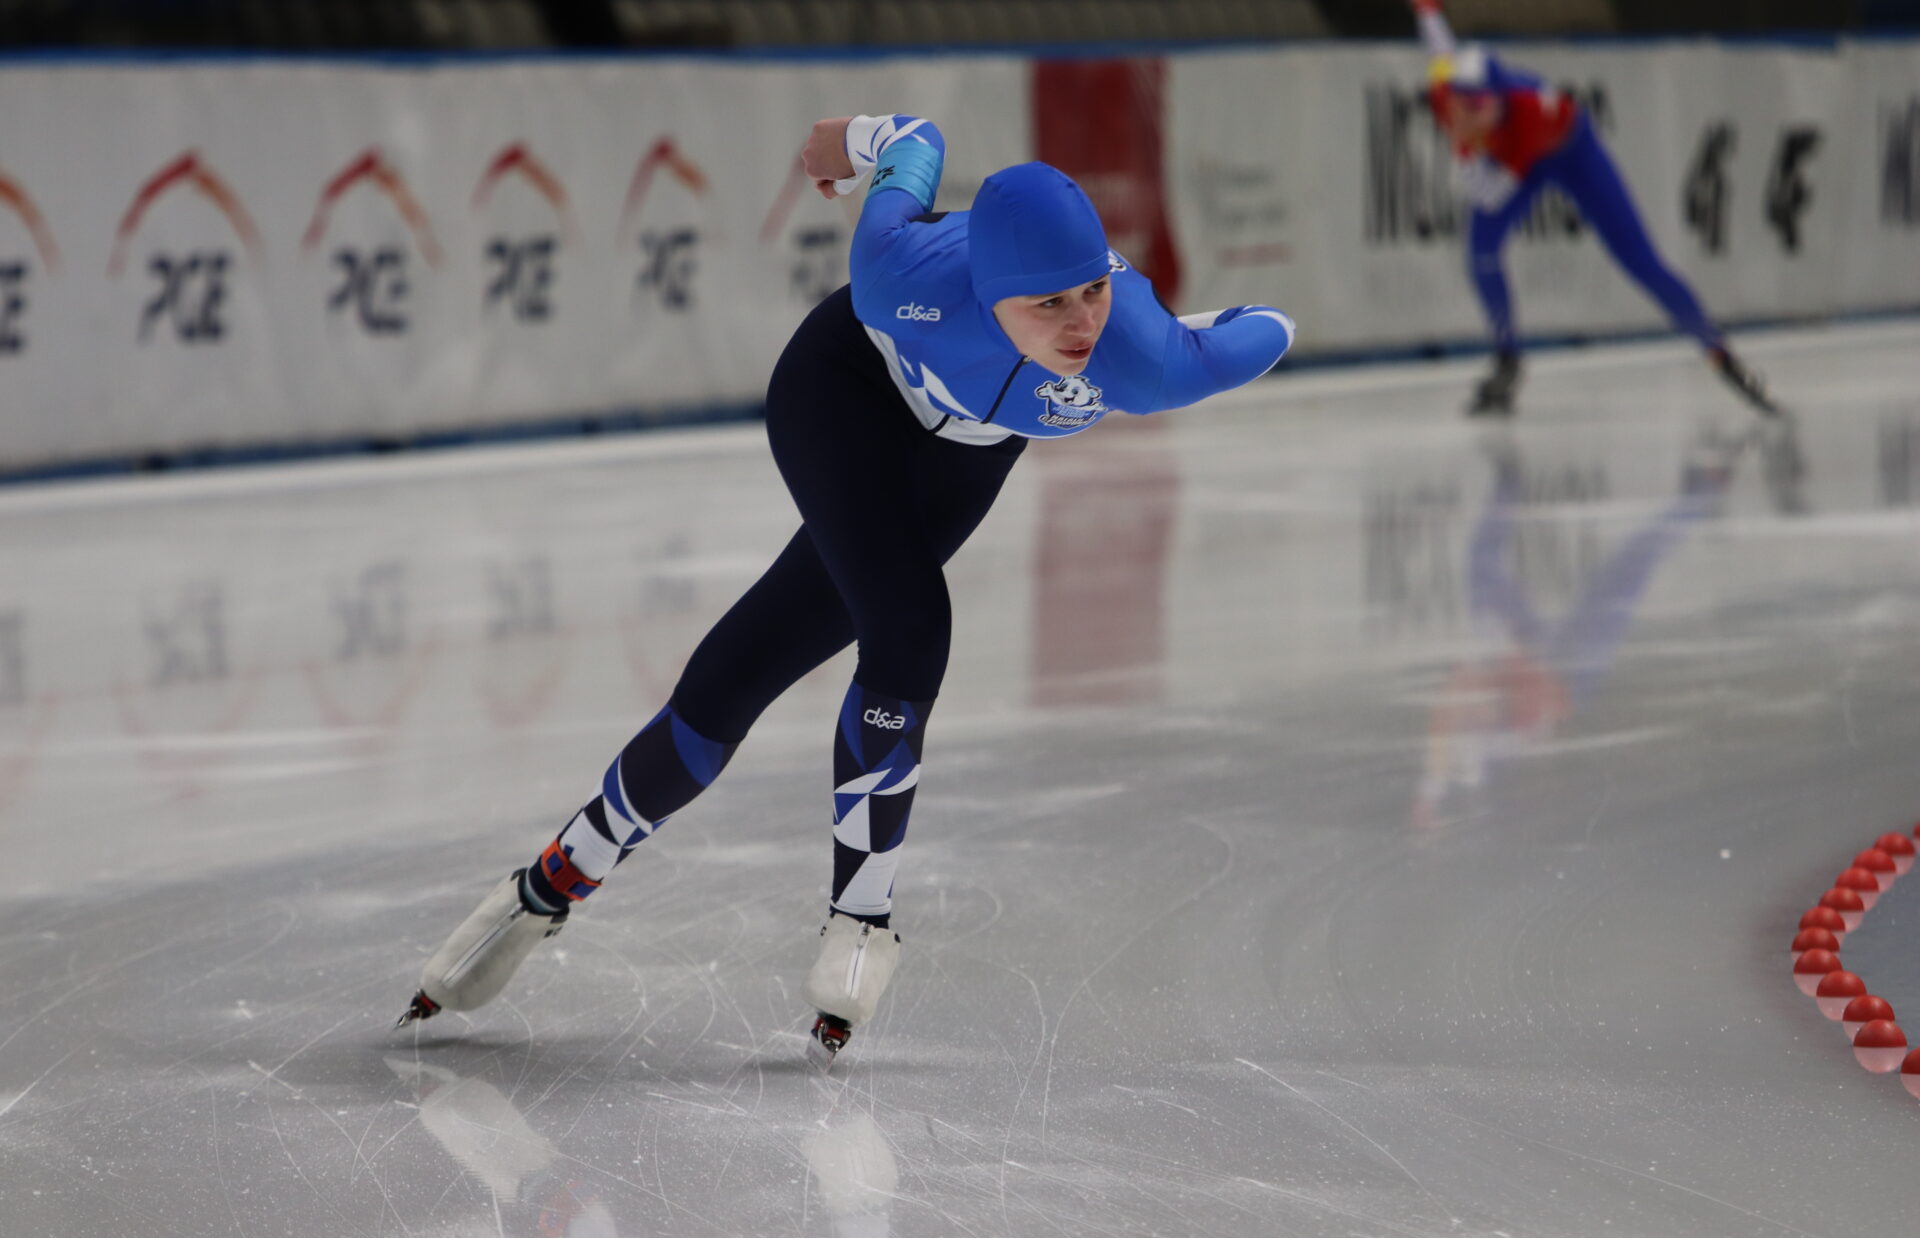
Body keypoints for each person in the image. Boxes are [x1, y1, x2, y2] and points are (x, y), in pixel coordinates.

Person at [396, 112, 1295, 1064]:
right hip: (841, 394)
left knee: (752, 665)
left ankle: (551, 881)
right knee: (911, 624)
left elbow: (1271, 327)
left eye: (1092, 293)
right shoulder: (899, 273)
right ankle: (862, 917)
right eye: (1048, 305)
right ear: (987, 292)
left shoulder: (1140, 358)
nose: (1082, 325)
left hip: (962, 460)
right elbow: (916, 140)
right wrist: (849, 140)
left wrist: (1184, 333)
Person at [1410, 0, 1778, 418]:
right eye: (1458, 103)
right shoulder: (1446, 93)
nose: (1465, 114)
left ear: (1500, 101)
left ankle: (1720, 355)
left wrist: (1465, 156)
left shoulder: (1535, 112)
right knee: (1481, 255)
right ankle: (1506, 360)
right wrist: (1427, 9)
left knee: (1640, 262)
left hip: (1570, 151)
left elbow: (1489, 194)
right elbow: (1439, 46)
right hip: (1511, 157)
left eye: (1477, 106)